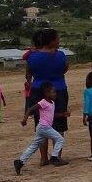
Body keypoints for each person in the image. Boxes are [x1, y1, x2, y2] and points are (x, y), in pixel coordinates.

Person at [26, 28, 70, 165]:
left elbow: (29, 73)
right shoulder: (60, 55)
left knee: (42, 125)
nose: (59, 41)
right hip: (59, 89)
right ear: (52, 41)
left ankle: (43, 158)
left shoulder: (32, 56)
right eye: (57, 39)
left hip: (38, 89)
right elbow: (65, 68)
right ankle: (56, 157)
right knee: (59, 125)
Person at [14, 82, 68, 174]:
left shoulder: (52, 103)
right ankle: (54, 158)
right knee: (60, 139)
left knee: (34, 146)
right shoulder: (43, 102)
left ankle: (20, 161)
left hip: (42, 128)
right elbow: (30, 109)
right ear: (46, 93)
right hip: (44, 127)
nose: (55, 93)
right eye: (53, 92)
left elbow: (51, 115)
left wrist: (62, 114)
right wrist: (25, 119)